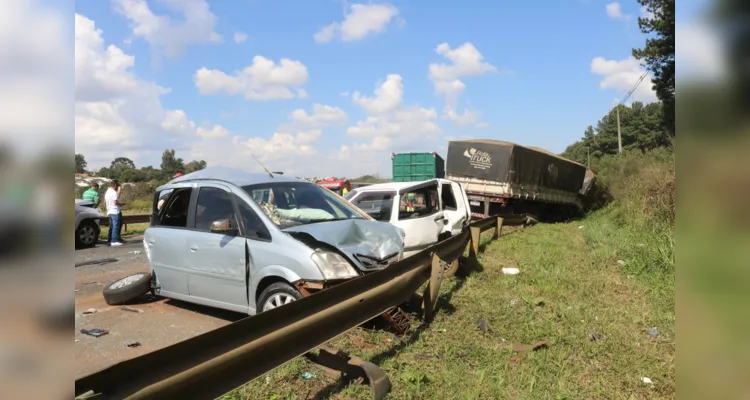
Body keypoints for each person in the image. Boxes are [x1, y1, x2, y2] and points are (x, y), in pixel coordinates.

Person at [105, 180, 124, 246]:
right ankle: (114, 240)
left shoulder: (108, 191)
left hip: (109, 210)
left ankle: (110, 240)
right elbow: (115, 202)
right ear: (115, 185)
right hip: (115, 211)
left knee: (112, 226)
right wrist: (121, 204)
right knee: (116, 226)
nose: (118, 187)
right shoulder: (113, 192)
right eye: (118, 186)